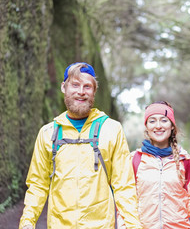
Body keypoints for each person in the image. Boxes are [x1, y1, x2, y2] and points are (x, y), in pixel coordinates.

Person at [19, 62, 142, 229]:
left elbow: (124, 186)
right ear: (64, 87)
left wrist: (133, 225)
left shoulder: (112, 129)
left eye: (87, 86)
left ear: (94, 91)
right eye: (75, 85)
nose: (81, 92)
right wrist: (27, 221)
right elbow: (38, 184)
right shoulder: (48, 133)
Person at [126, 101, 190, 228]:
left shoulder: (185, 160)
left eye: (164, 120)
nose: (158, 126)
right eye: (152, 121)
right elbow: (126, 202)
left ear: (172, 125)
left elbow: (189, 201)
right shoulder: (134, 159)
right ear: (146, 126)